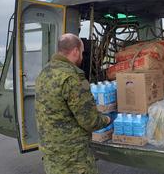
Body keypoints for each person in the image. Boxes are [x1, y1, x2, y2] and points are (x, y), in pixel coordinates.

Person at [35, 33, 111, 174]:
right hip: (73, 158)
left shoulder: (44, 72)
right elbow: (90, 121)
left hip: (51, 152)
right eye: (82, 52)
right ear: (75, 51)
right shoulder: (72, 78)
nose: (82, 56)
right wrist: (107, 119)